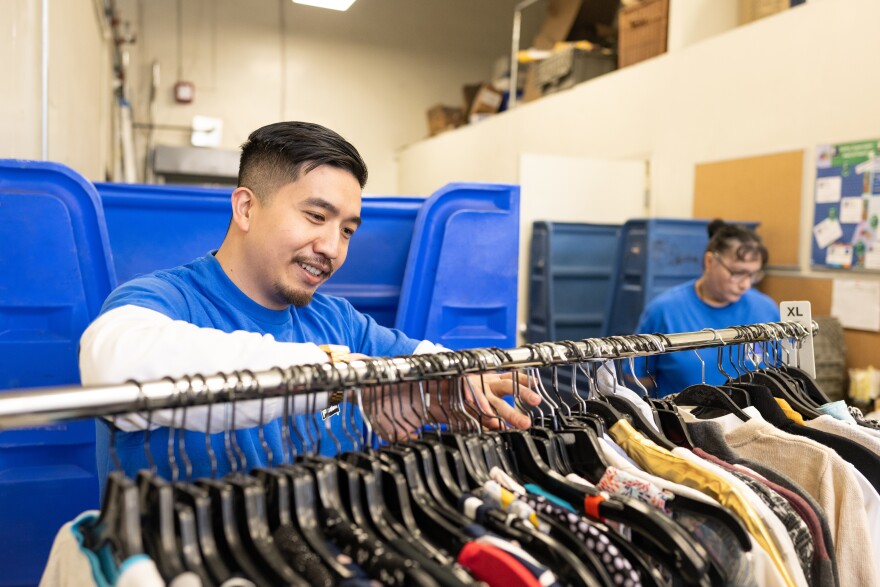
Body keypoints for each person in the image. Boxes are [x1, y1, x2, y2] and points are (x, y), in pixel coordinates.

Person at [79, 121, 540, 489]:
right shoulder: (160, 303)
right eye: (316, 217)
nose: (332, 248)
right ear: (245, 208)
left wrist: (462, 378)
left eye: (347, 230)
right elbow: (114, 362)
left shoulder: (338, 323)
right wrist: (340, 379)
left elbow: (420, 357)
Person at [632, 219, 779, 396]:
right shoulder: (664, 311)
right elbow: (638, 376)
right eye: (737, 273)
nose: (746, 284)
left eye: (753, 275)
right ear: (710, 261)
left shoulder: (765, 310)